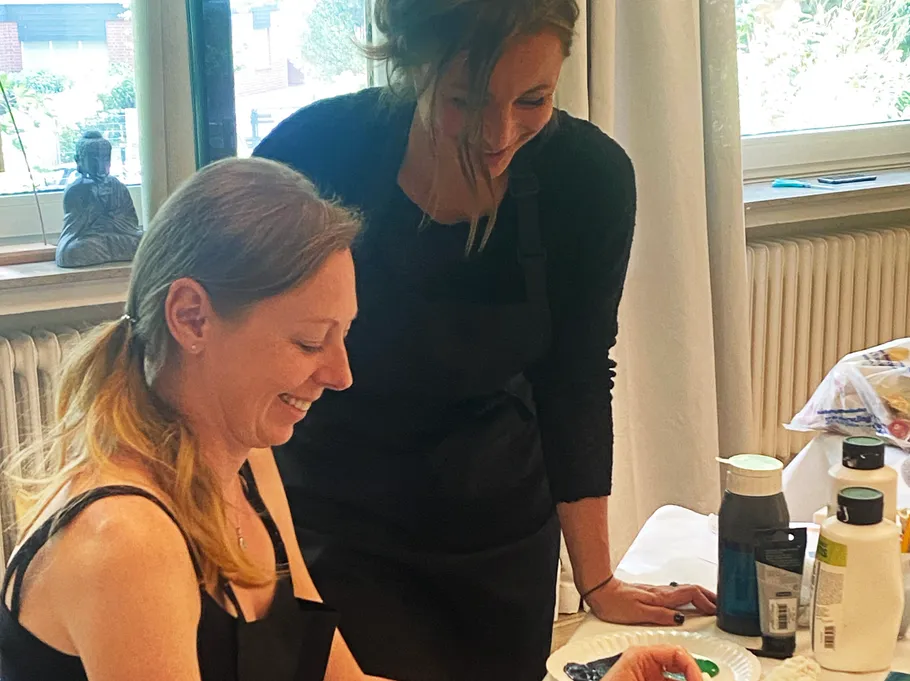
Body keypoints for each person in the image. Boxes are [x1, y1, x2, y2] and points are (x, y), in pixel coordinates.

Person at [254, 0, 716, 680]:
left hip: (500, 535)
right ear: (413, 66)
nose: (498, 134)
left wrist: (598, 581)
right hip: (337, 528)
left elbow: (577, 377)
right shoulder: (316, 154)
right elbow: (249, 368)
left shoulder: (587, 180)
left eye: (534, 99)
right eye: (464, 100)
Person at [0, 157, 374, 681]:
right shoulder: (127, 540)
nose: (341, 374)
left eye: (345, 335)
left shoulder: (247, 463)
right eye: (309, 341)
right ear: (191, 317)